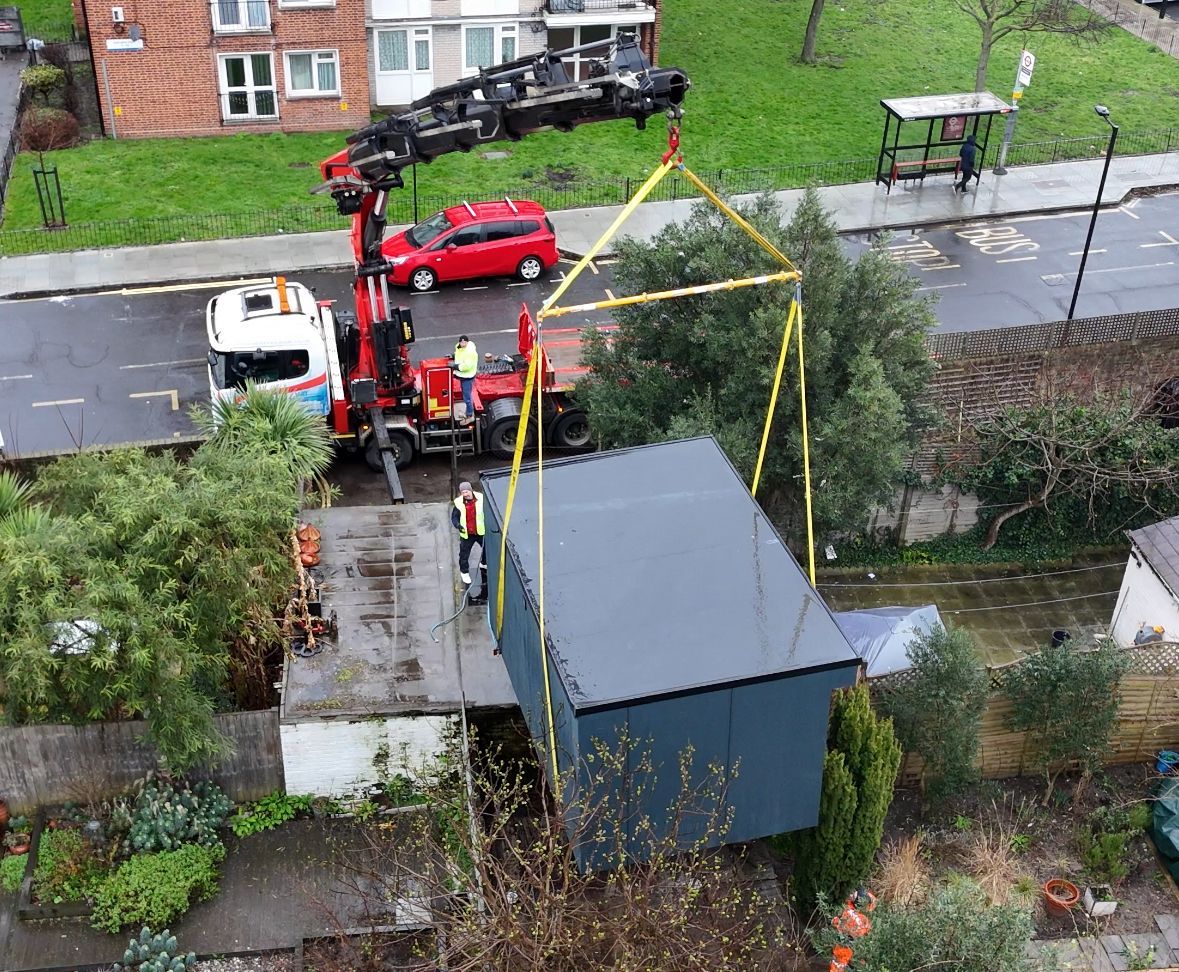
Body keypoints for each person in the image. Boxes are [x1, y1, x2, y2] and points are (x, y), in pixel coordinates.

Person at [829, 888, 876, 970]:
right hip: (854, 947)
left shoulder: (847, 910)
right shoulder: (862, 917)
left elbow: (834, 923)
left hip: (844, 944)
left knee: (837, 966)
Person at [451, 481, 485, 586]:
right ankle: (464, 572)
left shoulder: (481, 498)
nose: (465, 494)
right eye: (463, 492)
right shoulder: (458, 503)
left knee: (486, 549)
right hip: (467, 534)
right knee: (464, 554)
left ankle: (484, 563)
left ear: (471, 490)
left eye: (466, 491)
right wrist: (457, 525)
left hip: (480, 531)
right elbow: (454, 517)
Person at [451, 335, 478, 424]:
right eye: (461, 342)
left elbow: (467, 366)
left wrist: (455, 366)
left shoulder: (470, 352)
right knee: (466, 394)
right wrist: (453, 356)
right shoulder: (459, 347)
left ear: (467, 342)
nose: (462, 344)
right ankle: (468, 413)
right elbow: (459, 355)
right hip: (462, 374)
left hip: (467, 376)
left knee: (467, 397)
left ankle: (469, 415)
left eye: (464, 342)